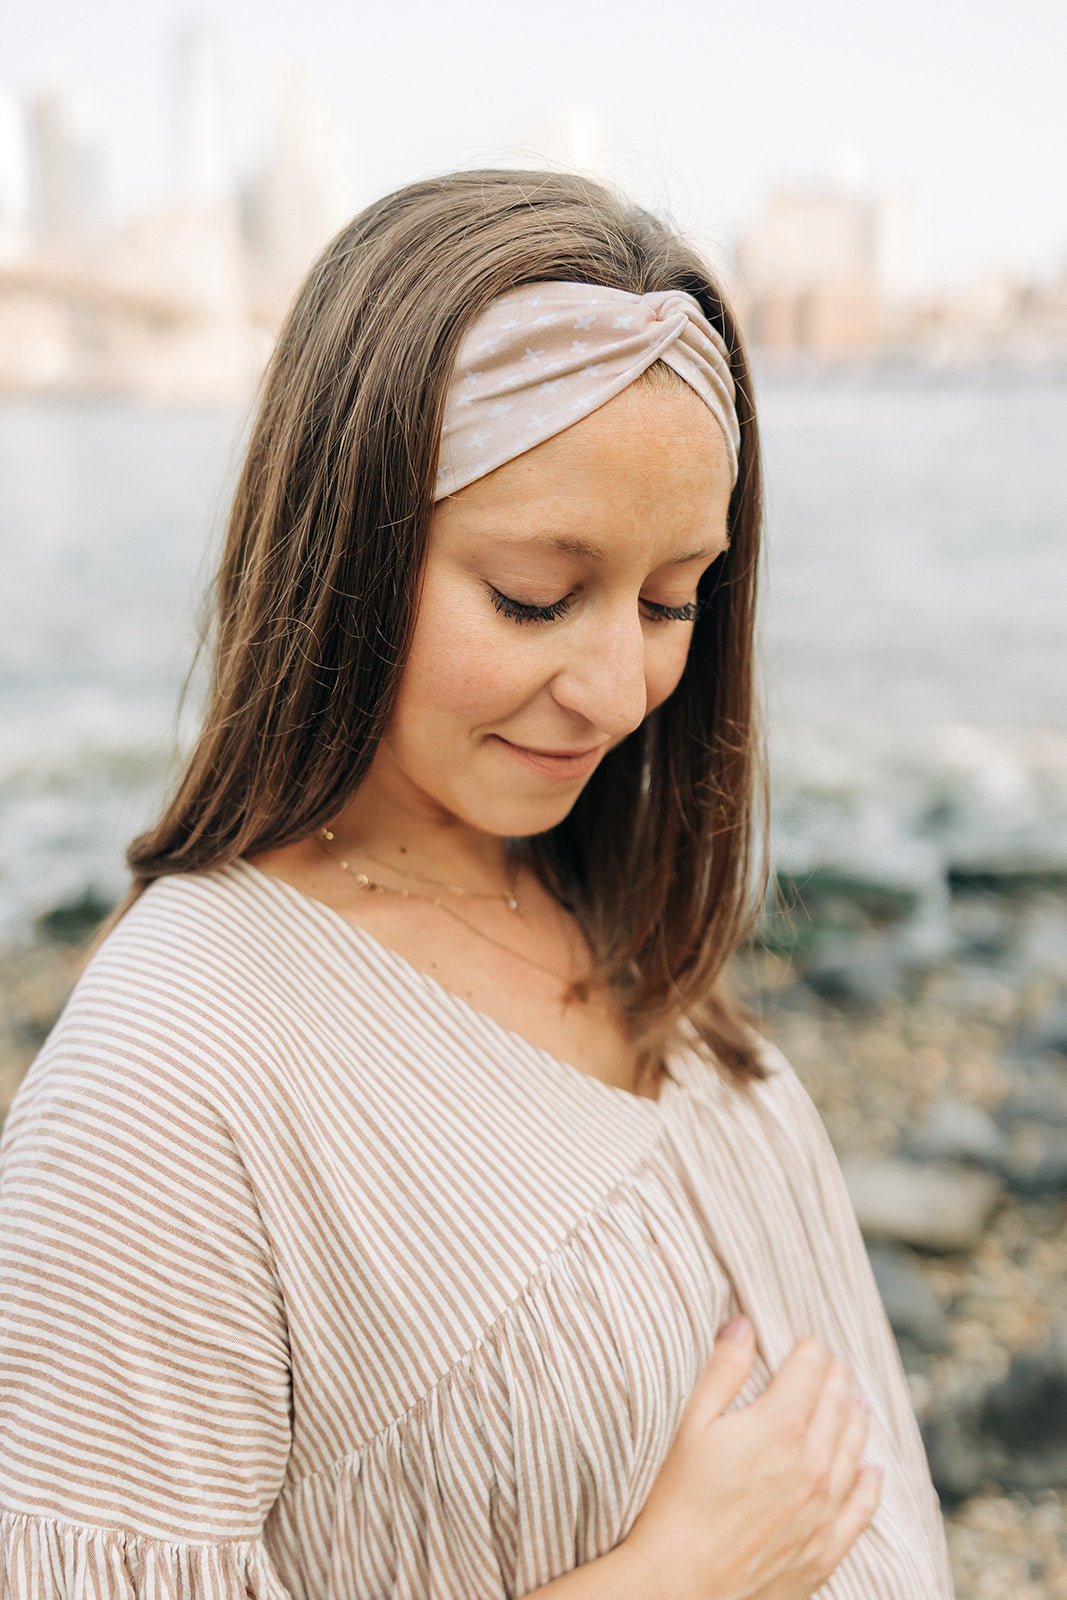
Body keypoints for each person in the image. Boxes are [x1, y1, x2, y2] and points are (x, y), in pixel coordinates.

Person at [0, 169, 954, 1599]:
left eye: (673, 597)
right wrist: (678, 1577)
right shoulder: (166, 1084)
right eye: (531, 595)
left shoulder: (598, 895)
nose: (621, 687)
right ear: (339, 551)